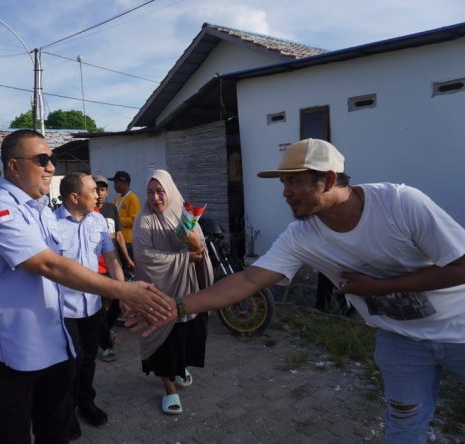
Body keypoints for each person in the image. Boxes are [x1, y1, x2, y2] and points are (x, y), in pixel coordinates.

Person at [133, 139, 465, 443]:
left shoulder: (400, 204)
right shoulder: (301, 236)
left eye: (294, 181)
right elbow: (248, 281)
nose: (285, 192)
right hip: (399, 340)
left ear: (330, 180)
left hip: (459, 327)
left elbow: (461, 266)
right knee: (404, 425)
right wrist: (176, 307)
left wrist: (377, 287)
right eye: (283, 182)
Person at [0, 129, 173, 444]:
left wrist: (122, 290)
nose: (51, 167)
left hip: (52, 342)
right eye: (41, 159)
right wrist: (124, 291)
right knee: (10, 436)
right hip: (8, 350)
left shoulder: (42, 213)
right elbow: (49, 264)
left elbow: (87, 259)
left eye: (51, 159)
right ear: (13, 166)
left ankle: (85, 405)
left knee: (56, 431)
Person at [51, 172, 126, 436]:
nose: (99, 194)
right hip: (63, 310)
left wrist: (123, 292)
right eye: (93, 190)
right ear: (74, 197)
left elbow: (110, 256)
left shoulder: (98, 221)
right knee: (70, 363)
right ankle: (66, 413)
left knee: (89, 359)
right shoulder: (50, 224)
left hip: (93, 307)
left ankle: (86, 403)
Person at [133, 169, 213, 415]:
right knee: (165, 343)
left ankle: (179, 369)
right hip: (161, 293)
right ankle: (169, 389)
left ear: (170, 191)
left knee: (186, 335)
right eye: (150, 192)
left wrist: (195, 245)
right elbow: (146, 259)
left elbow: (200, 248)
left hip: (187, 290)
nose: (155, 198)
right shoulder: (144, 221)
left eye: (160, 192)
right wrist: (184, 257)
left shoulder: (184, 213)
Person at [92, 175, 134, 363]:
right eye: (96, 190)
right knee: (99, 307)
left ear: (107, 192)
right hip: (94, 267)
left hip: (112, 264)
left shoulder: (111, 209)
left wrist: (126, 258)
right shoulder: (87, 211)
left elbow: (118, 235)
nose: (99, 194)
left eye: (102, 190)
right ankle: (106, 346)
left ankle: (105, 330)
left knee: (119, 298)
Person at [108, 170, 141, 259]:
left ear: (125, 183)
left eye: (116, 183)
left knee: (129, 267)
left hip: (128, 241)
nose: (114, 186)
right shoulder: (117, 198)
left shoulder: (133, 198)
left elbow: (134, 220)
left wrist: (116, 221)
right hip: (117, 239)